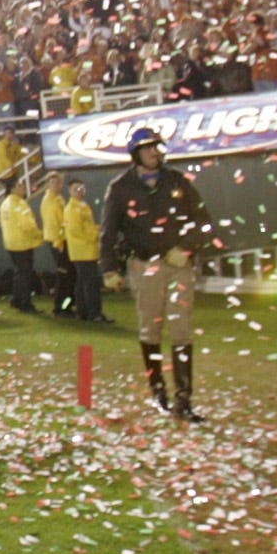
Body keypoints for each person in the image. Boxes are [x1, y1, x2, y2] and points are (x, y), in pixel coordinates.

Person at [100, 126, 215, 422]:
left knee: (181, 330)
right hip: (143, 267)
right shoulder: (121, 188)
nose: (155, 152)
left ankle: (184, 399)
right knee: (150, 330)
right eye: (148, 147)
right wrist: (110, 268)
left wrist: (187, 248)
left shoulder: (177, 181)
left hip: (178, 266)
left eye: (157, 147)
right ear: (136, 153)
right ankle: (158, 392)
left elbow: (204, 221)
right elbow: (108, 233)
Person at [63, 180, 107, 323]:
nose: (80, 191)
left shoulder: (83, 206)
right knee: (90, 283)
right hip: (82, 250)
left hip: (86, 249)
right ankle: (94, 313)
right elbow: (76, 230)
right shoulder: (72, 209)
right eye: (77, 189)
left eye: (82, 188)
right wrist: (95, 234)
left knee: (83, 282)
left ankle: (83, 312)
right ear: (70, 191)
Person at [0, 177, 43, 313]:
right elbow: (27, 224)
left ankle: (16, 300)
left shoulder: (5, 204)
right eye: (20, 186)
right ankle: (25, 303)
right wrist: (39, 235)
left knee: (19, 273)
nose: (23, 188)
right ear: (12, 189)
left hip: (11, 243)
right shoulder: (18, 204)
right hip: (22, 243)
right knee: (24, 275)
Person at [38, 174, 74, 317]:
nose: (57, 185)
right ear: (48, 184)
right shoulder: (50, 201)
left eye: (59, 182)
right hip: (58, 242)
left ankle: (65, 306)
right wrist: (59, 242)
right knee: (65, 275)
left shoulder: (58, 199)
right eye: (54, 182)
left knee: (68, 275)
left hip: (61, 240)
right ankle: (61, 308)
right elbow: (54, 224)